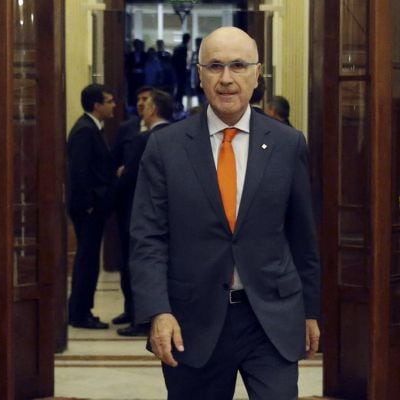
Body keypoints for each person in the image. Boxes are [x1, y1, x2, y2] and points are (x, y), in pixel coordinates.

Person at [129, 27, 321, 399]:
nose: (227, 78)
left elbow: (302, 236)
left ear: (257, 73)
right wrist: (158, 311)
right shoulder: (165, 147)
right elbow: (147, 237)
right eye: (215, 66)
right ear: (199, 74)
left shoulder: (287, 143)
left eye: (238, 65)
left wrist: (310, 310)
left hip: (270, 317)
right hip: (192, 320)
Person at [116, 89, 174, 337]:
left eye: (146, 104)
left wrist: (121, 175)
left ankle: (141, 318)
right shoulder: (178, 137)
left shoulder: (144, 140)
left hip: (136, 211)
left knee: (137, 263)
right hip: (172, 214)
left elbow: (128, 179)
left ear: (152, 110)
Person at [66, 84, 118, 329]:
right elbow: (79, 172)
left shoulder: (92, 128)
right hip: (88, 209)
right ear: (97, 105)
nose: (113, 105)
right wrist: (87, 204)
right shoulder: (85, 131)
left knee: (88, 261)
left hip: (93, 207)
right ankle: (79, 313)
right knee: (86, 261)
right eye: (109, 101)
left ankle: (81, 308)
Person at [111, 85, 154, 327]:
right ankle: (130, 309)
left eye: (145, 99)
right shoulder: (127, 128)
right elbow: (115, 160)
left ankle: (147, 313)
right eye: (138, 98)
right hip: (127, 204)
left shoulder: (165, 132)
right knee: (127, 260)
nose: (140, 103)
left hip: (151, 204)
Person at [171, 33, 190, 103]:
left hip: (177, 69)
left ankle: (177, 102)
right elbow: (183, 60)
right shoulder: (183, 47)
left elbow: (173, 59)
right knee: (180, 87)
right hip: (181, 70)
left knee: (178, 87)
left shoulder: (178, 47)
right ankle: (178, 102)